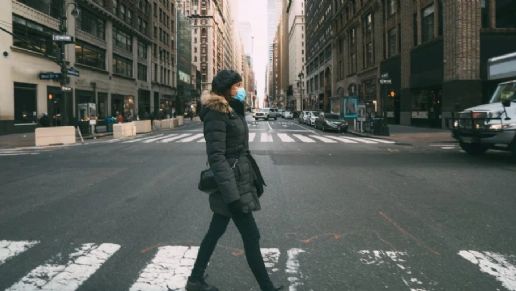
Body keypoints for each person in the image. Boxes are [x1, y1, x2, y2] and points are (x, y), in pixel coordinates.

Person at [186, 70, 283, 291]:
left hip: (235, 179)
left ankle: (195, 279)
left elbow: (238, 148)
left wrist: (237, 110)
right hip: (231, 184)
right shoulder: (215, 113)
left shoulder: (230, 110)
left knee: (215, 231)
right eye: (237, 85)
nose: (240, 89)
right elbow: (217, 156)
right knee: (251, 235)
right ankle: (267, 288)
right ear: (226, 87)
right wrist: (233, 196)